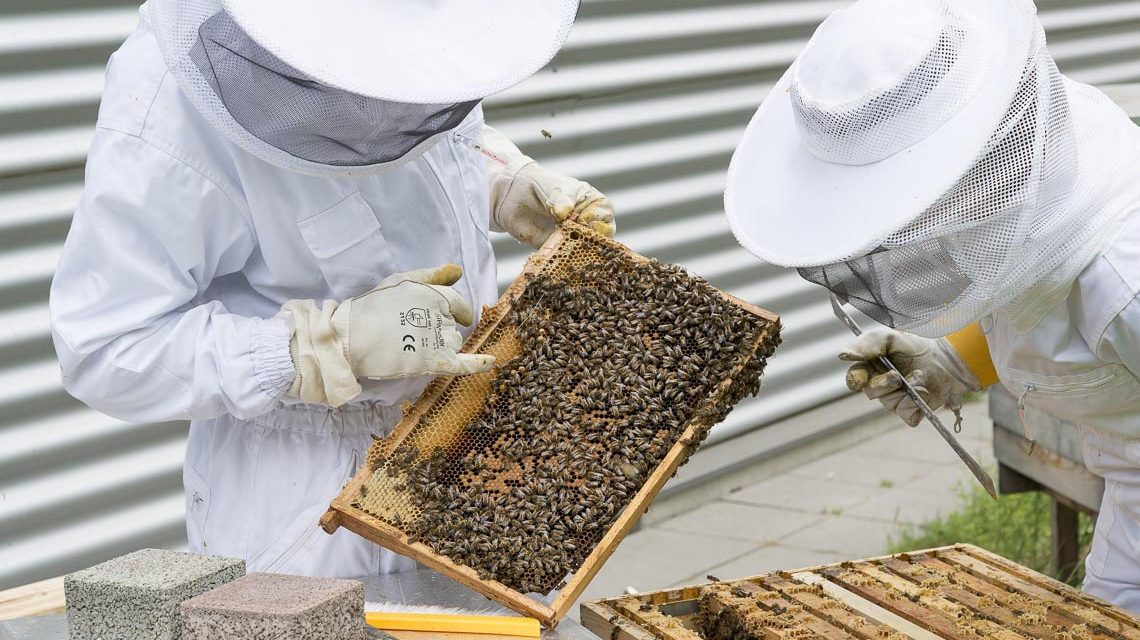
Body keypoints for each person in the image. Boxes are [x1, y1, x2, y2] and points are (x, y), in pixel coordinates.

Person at [48, 0, 615, 578]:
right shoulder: (168, 111)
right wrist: (316, 349)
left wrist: (502, 180)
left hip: (476, 455)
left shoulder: (405, 45)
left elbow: (418, 121)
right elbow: (104, 347)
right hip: (305, 513)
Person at [723, 0, 1140, 612]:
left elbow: (1094, 305)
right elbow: (1034, 295)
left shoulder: (1125, 284)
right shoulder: (1019, 193)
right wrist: (954, 358)